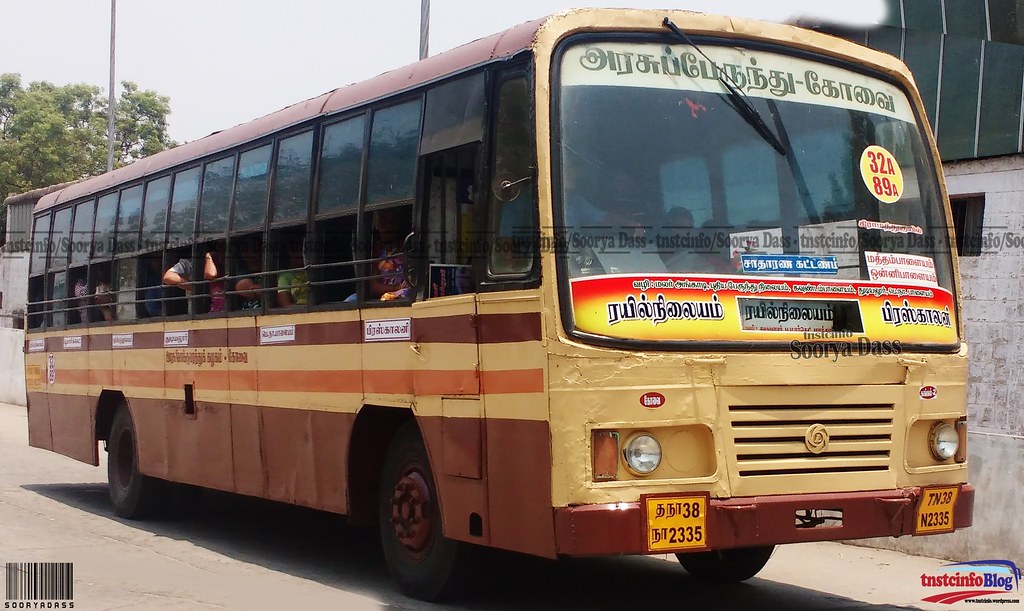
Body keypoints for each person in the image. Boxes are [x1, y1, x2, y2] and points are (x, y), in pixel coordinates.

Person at [276, 240, 308, 307]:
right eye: (295, 251)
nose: (300, 254)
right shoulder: (285, 276)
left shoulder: (313, 271)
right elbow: (287, 305)